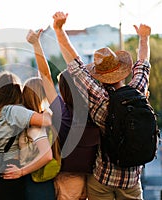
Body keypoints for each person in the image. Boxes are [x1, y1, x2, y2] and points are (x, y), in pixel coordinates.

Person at [52, 11, 151, 199]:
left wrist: (59, 30)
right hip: (131, 180)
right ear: (122, 70)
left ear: (100, 76)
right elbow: (143, 64)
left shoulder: (99, 99)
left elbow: (75, 66)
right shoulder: (138, 91)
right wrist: (144, 37)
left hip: (103, 179)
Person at [26, 29, 101, 200]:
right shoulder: (96, 109)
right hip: (92, 176)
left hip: (68, 178)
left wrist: (36, 44)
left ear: (64, 90)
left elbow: (45, 75)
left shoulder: (63, 114)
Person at [0, 71, 53, 200]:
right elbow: (46, 121)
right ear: (16, 91)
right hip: (10, 171)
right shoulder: (12, 111)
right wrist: (47, 110)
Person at [9, 77, 59, 200]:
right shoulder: (45, 119)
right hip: (42, 180)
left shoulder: (34, 127)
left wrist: (21, 172)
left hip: (36, 182)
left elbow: (47, 155)